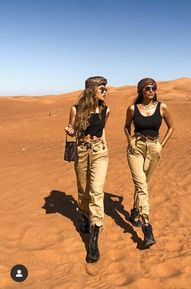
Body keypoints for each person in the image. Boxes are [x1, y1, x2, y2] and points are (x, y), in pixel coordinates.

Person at [124, 77, 174, 247]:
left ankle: (134, 210)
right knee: (141, 185)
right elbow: (126, 126)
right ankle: (146, 227)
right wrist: (129, 141)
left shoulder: (162, 107)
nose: (151, 90)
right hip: (136, 148)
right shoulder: (132, 108)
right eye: (147, 88)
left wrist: (162, 145)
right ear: (141, 91)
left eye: (153, 88)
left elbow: (171, 127)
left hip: (154, 148)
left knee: (143, 182)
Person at [64, 76, 110, 262]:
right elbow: (74, 132)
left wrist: (106, 148)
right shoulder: (76, 109)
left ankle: (94, 239)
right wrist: (70, 133)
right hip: (82, 151)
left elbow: (103, 130)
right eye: (102, 88)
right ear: (92, 90)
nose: (106, 92)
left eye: (106, 88)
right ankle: (84, 214)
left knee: (96, 191)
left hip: (100, 152)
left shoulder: (106, 109)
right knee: (83, 190)